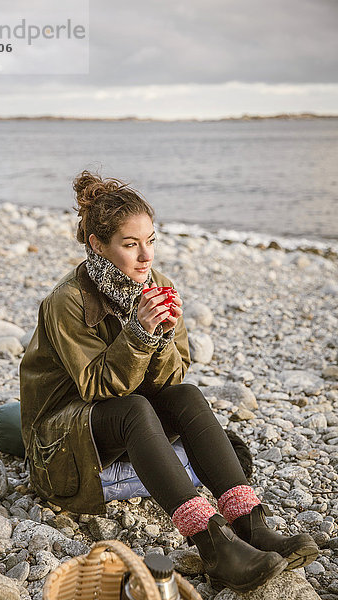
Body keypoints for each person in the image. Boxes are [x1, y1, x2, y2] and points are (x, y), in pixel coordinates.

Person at [19, 170, 318, 593]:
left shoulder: (157, 286)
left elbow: (170, 378)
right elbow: (98, 388)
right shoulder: (66, 301)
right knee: (134, 409)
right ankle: (213, 546)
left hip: (115, 417)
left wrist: (159, 337)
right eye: (130, 244)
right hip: (62, 442)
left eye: (151, 240)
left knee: (187, 395)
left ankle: (251, 525)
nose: (146, 257)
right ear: (97, 246)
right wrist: (139, 336)